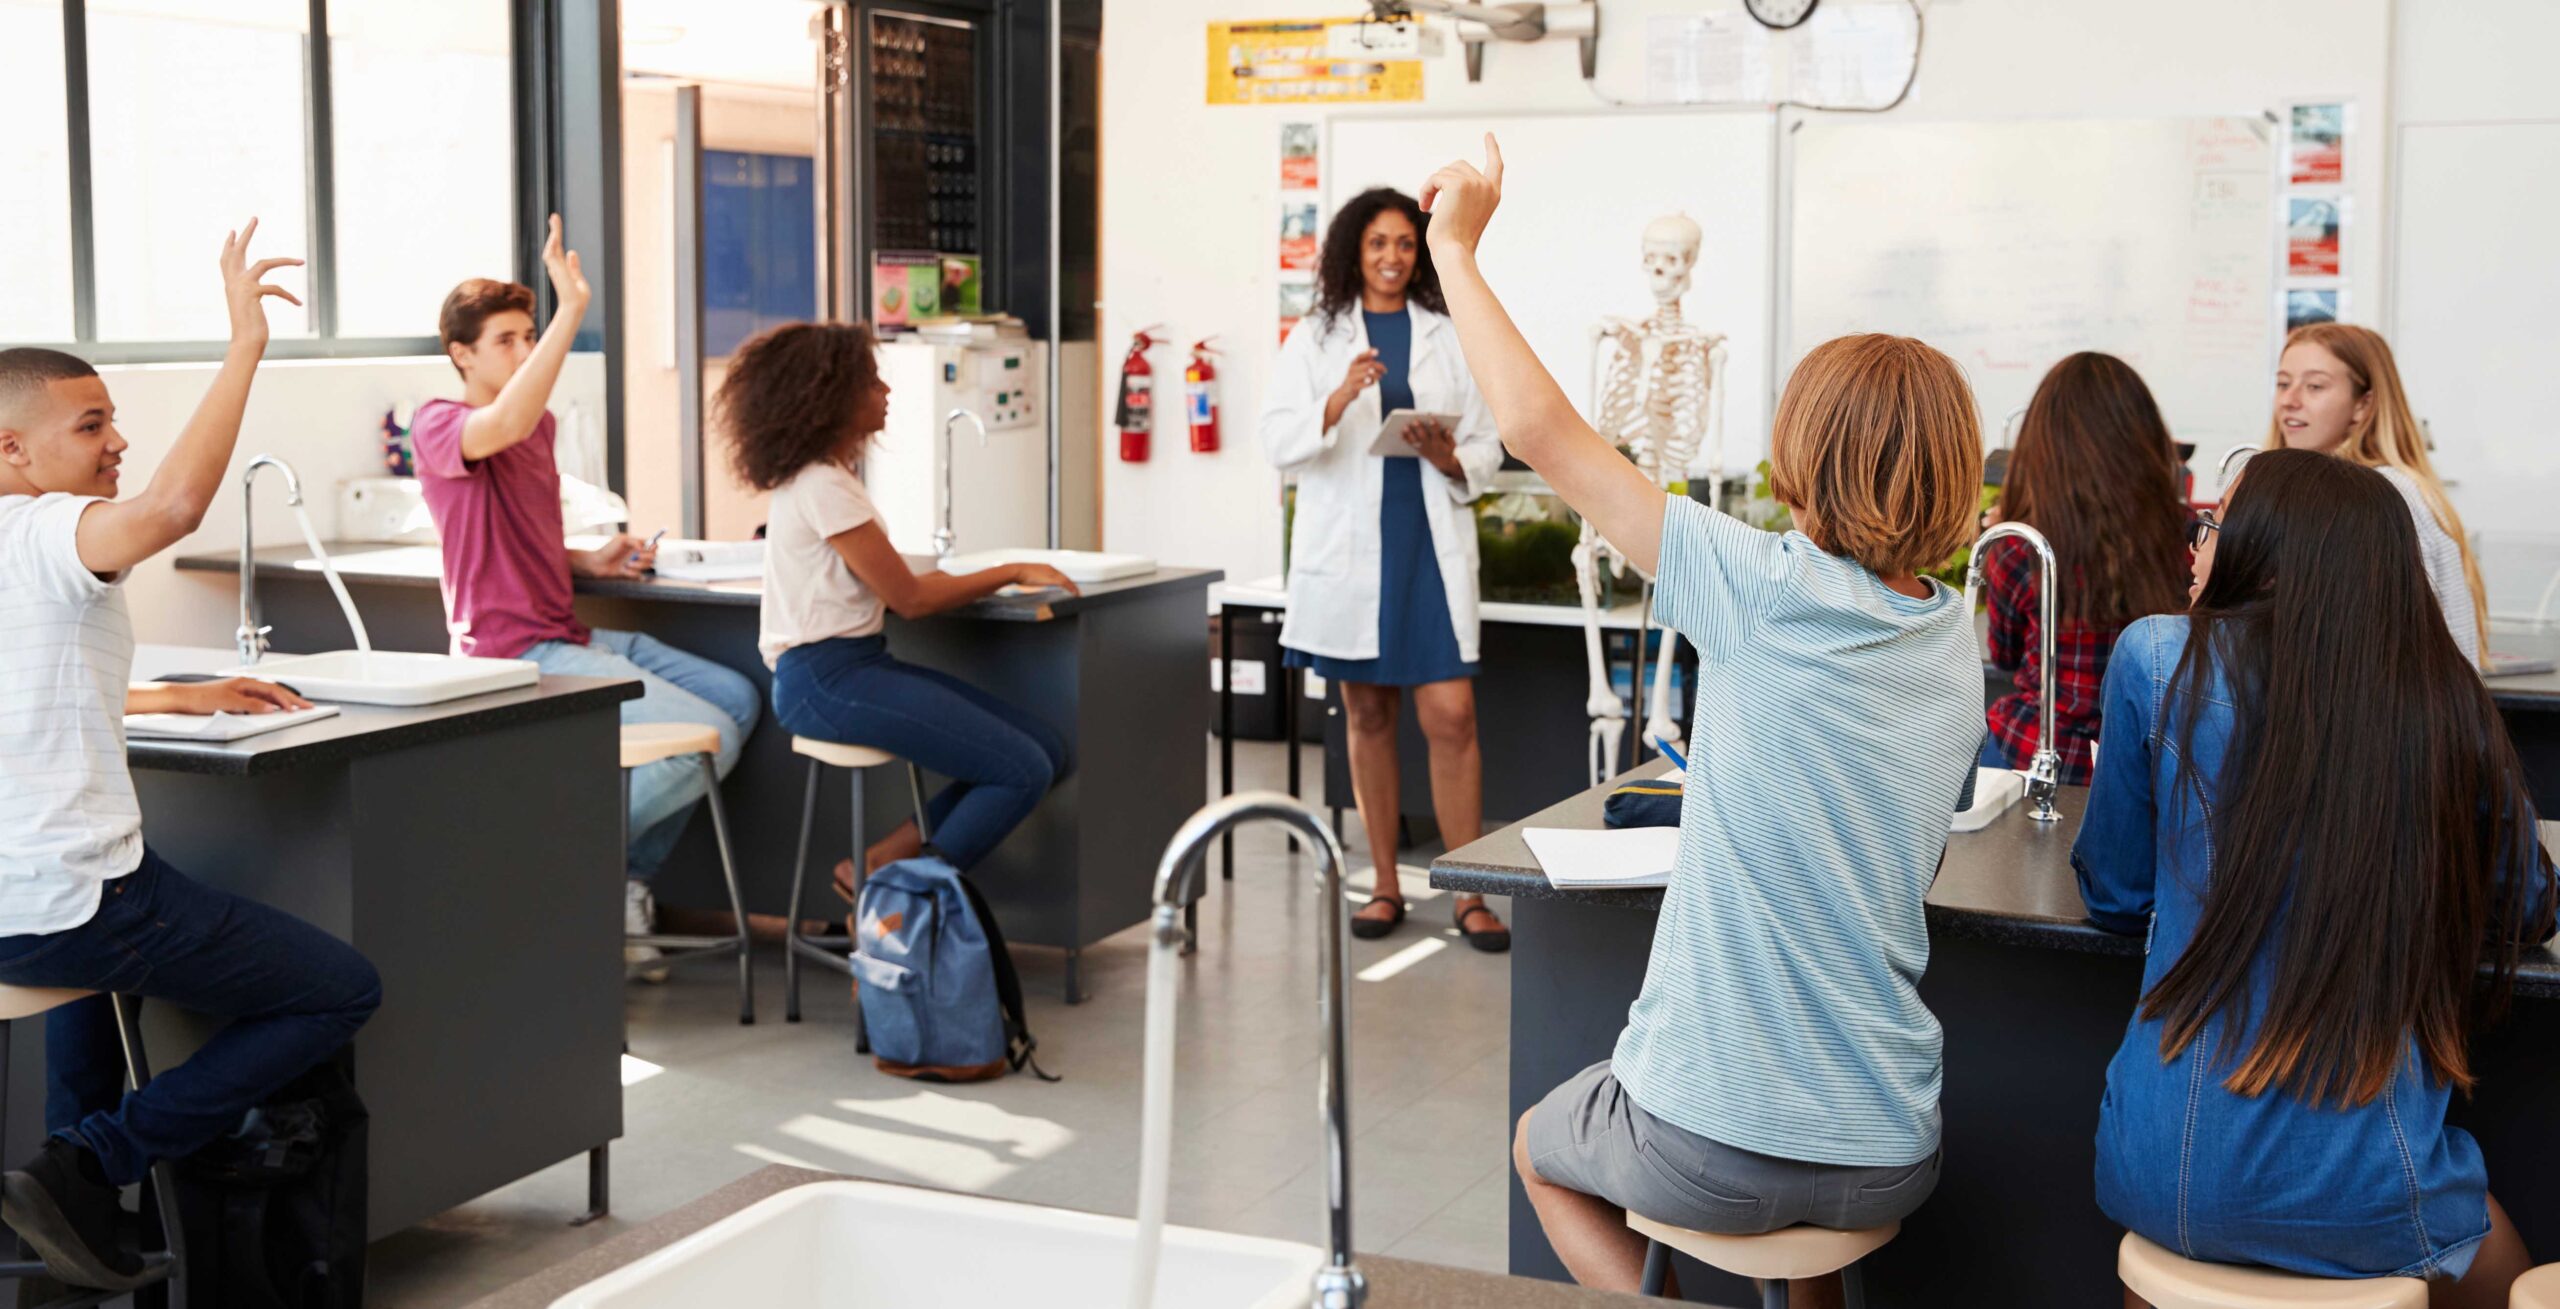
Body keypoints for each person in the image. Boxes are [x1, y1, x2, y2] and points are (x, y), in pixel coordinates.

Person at [1422, 137, 1983, 1304]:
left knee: (1540, 1145)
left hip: (1708, 1141)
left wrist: (1453, 246)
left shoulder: (1757, 585)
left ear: (1802, 455)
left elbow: (1541, 432)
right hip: (1889, 1148)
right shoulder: (1952, 633)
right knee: (1809, 1237)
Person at [2075, 449, 2553, 1307]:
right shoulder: (2442, 698)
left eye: (2214, 525)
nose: (2196, 543)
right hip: (2364, 1186)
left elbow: (2115, 894)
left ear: (2269, 544)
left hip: (2162, 1175)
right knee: (2508, 1272)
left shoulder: (2155, 658)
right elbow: (2527, 908)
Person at [0, 225, 381, 1292]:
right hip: (71, 902)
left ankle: (75, 1227)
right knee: (337, 987)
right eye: (91, 425)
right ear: (12, 452)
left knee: (82, 998)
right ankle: (93, 1161)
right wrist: (245, 344)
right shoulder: (42, 529)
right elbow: (170, 509)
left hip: (13, 910)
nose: (115, 441)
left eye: (114, 418)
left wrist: (177, 694)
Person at [418, 216, 761, 972]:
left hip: (569, 634)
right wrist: (573, 309)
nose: (521, 349)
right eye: (505, 339)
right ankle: (567, 874)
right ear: (460, 354)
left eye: (526, 334)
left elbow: (520, 530)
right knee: (714, 738)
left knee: (737, 699)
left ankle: (614, 878)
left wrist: (591, 559)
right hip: (516, 654)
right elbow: (498, 425)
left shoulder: (534, 426)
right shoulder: (440, 423)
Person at [721, 321, 1074, 889]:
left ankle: (878, 866)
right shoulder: (822, 485)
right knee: (1021, 769)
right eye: (873, 383)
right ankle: (899, 903)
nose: (886, 393)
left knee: (1045, 752)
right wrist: (1010, 569)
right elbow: (909, 599)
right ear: (831, 399)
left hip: (852, 668)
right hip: (826, 679)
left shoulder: (824, 478)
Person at [1259, 186, 1509, 951]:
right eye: (1378, 244)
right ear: (1352, 252)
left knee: (1451, 717)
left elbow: (1492, 437)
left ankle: (1469, 891)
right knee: (1367, 715)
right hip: (1351, 549)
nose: (1393, 257)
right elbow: (1277, 441)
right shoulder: (1317, 336)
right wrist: (1335, 401)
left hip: (1427, 544)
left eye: (1406, 243)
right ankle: (1387, 885)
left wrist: (1450, 454)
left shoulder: (1449, 331)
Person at [1981, 352, 2191, 785]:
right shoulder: (2188, 535)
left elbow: (2002, 656)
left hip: (2036, 751)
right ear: (2145, 435)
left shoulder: (2021, 544)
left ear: (2040, 444)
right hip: (2143, 763)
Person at [2261, 322, 2484, 666]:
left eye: (2315, 386)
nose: (2290, 401)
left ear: (2364, 405)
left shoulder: (2387, 493)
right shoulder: (2315, 492)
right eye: (2283, 384)